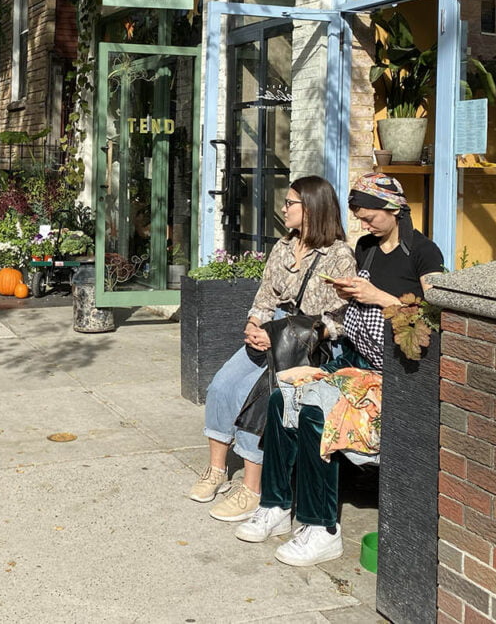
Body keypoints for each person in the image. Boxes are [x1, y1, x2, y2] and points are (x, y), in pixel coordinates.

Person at [235, 172, 444, 566]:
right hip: (352, 359)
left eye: (368, 216)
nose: (362, 225)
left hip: (394, 377)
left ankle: (322, 528)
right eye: (359, 217)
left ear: (392, 209)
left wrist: (378, 297)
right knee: (283, 397)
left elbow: (436, 313)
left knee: (317, 414)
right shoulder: (366, 247)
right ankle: (276, 505)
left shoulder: (424, 253)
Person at [189, 176, 357, 523]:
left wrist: (285, 332)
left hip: (304, 341)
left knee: (259, 399)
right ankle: (216, 471)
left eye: (290, 203)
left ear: (311, 208)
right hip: (269, 330)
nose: (283, 208)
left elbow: (341, 317)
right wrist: (254, 323)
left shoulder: (339, 255)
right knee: (222, 385)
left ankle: (253, 489)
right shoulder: (282, 246)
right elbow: (265, 296)